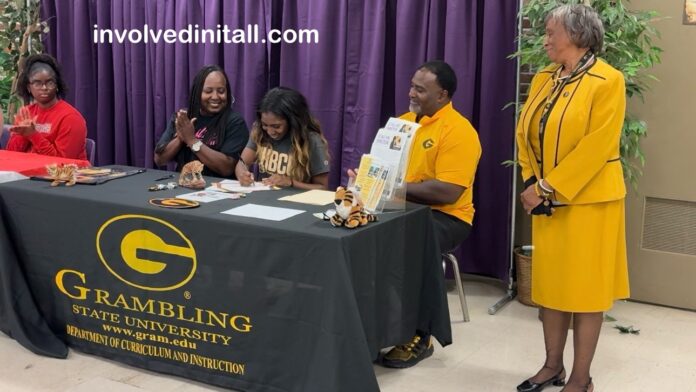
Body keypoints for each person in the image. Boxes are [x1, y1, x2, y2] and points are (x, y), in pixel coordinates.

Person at [515, 5, 629, 392]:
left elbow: (597, 147)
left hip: (590, 204)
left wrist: (547, 187)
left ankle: (581, 379)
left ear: (578, 36)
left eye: (551, 32)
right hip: (547, 201)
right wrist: (533, 182)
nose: (544, 39)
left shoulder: (607, 80)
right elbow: (525, 132)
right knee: (551, 287)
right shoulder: (545, 77)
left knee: (584, 292)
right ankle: (551, 367)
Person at [351, 60, 481, 368]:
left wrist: (393, 188)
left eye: (420, 89)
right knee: (356, 232)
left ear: (443, 95)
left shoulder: (459, 131)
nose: (411, 93)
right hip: (399, 210)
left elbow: (449, 192)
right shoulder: (401, 123)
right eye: (412, 85)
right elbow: (383, 171)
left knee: (410, 241)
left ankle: (419, 335)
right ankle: (370, 328)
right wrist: (366, 179)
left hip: (446, 217)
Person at [154, 65, 248, 178]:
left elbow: (227, 168)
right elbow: (159, 159)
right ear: (197, 93)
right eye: (208, 91)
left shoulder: (235, 122)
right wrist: (180, 138)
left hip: (217, 191)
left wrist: (192, 140)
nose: (215, 96)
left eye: (221, 91)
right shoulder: (183, 119)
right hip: (183, 185)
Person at [235, 87, 330, 190]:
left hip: (296, 202)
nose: (270, 132)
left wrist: (291, 182)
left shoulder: (312, 141)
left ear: (293, 121)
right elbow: (242, 163)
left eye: (276, 126)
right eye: (265, 125)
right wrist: (242, 175)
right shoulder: (259, 132)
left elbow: (322, 187)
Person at [4, 54, 87, 160]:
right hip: (28, 173)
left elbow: (63, 163)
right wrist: (23, 135)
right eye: (37, 83)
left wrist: (33, 135)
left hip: (63, 175)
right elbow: (11, 156)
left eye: (50, 82)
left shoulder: (71, 118)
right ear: (29, 87)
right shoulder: (26, 113)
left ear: (57, 85)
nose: (44, 88)